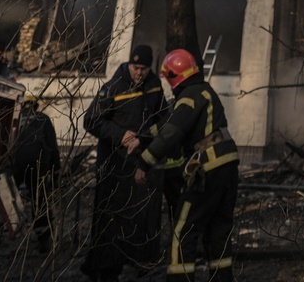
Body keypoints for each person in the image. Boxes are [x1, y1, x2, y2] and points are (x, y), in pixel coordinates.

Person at [133, 48, 239, 282]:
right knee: (218, 232)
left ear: (174, 76)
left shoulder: (190, 96)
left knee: (183, 231)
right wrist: (142, 136)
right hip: (228, 165)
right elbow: (169, 122)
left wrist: (144, 162)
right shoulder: (203, 92)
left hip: (207, 167)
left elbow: (171, 133)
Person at [82, 44, 167, 281]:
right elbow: (91, 120)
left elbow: (164, 118)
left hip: (139, 166)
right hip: (113, 167)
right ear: (129, 64)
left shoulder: (154, 86)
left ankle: (140, 261)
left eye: (144, 69)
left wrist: (145, 137)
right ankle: (105, 270)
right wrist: (121, 135)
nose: (139, 73)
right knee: (109, 220)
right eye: (136, 67)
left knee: (139, 218)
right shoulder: (113, 88)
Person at [12, 95, 60, 253]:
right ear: (36, 106)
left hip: (14, 166)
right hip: (38, 166)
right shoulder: (43, 119)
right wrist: (56, 170)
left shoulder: (14, 119)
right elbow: (52, 146)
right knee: (39, 201)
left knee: (4, 201)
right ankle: (43, 240)